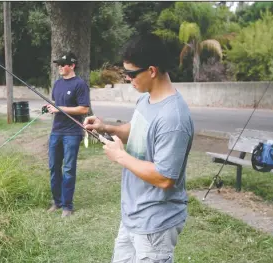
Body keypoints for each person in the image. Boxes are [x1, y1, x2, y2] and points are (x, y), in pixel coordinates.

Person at [84, 34, 194, 262]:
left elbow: (165, 178)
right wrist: (107, 128)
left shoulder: (173, 118)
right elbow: (136, 131)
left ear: (152, 71)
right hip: (132, 215)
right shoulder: (146, 99)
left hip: (155, 224)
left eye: (132, 74)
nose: (128, 79)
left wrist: (120, 157)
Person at [45, 51, 90, 218]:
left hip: (72, 133)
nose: (60, 68)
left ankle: (67, 206)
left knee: (69, 169)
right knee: (53, 167)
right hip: (56, 131)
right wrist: (50, 108)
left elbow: (83, 108)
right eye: (58, 65)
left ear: (72, 65)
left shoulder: (80, 85)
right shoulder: (57, 84)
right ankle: (57, 202)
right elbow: (56, 104)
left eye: (63, 64)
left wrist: (60, 109)